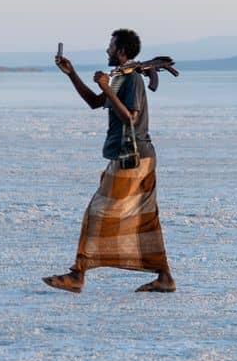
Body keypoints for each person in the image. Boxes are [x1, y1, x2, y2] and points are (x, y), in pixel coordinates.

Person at [42, 29, 178, 293]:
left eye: (111, 46)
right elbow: (95, 102)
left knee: (97, 212)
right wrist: (72, 74)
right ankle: (164, 277)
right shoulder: (120, 78)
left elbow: (131, 117)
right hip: (134, 157)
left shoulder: (133, 81)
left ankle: (77, 275)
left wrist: (105, 86)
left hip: (134, 158)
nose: (107, 50)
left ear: (121, 51)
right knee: (145, 218)